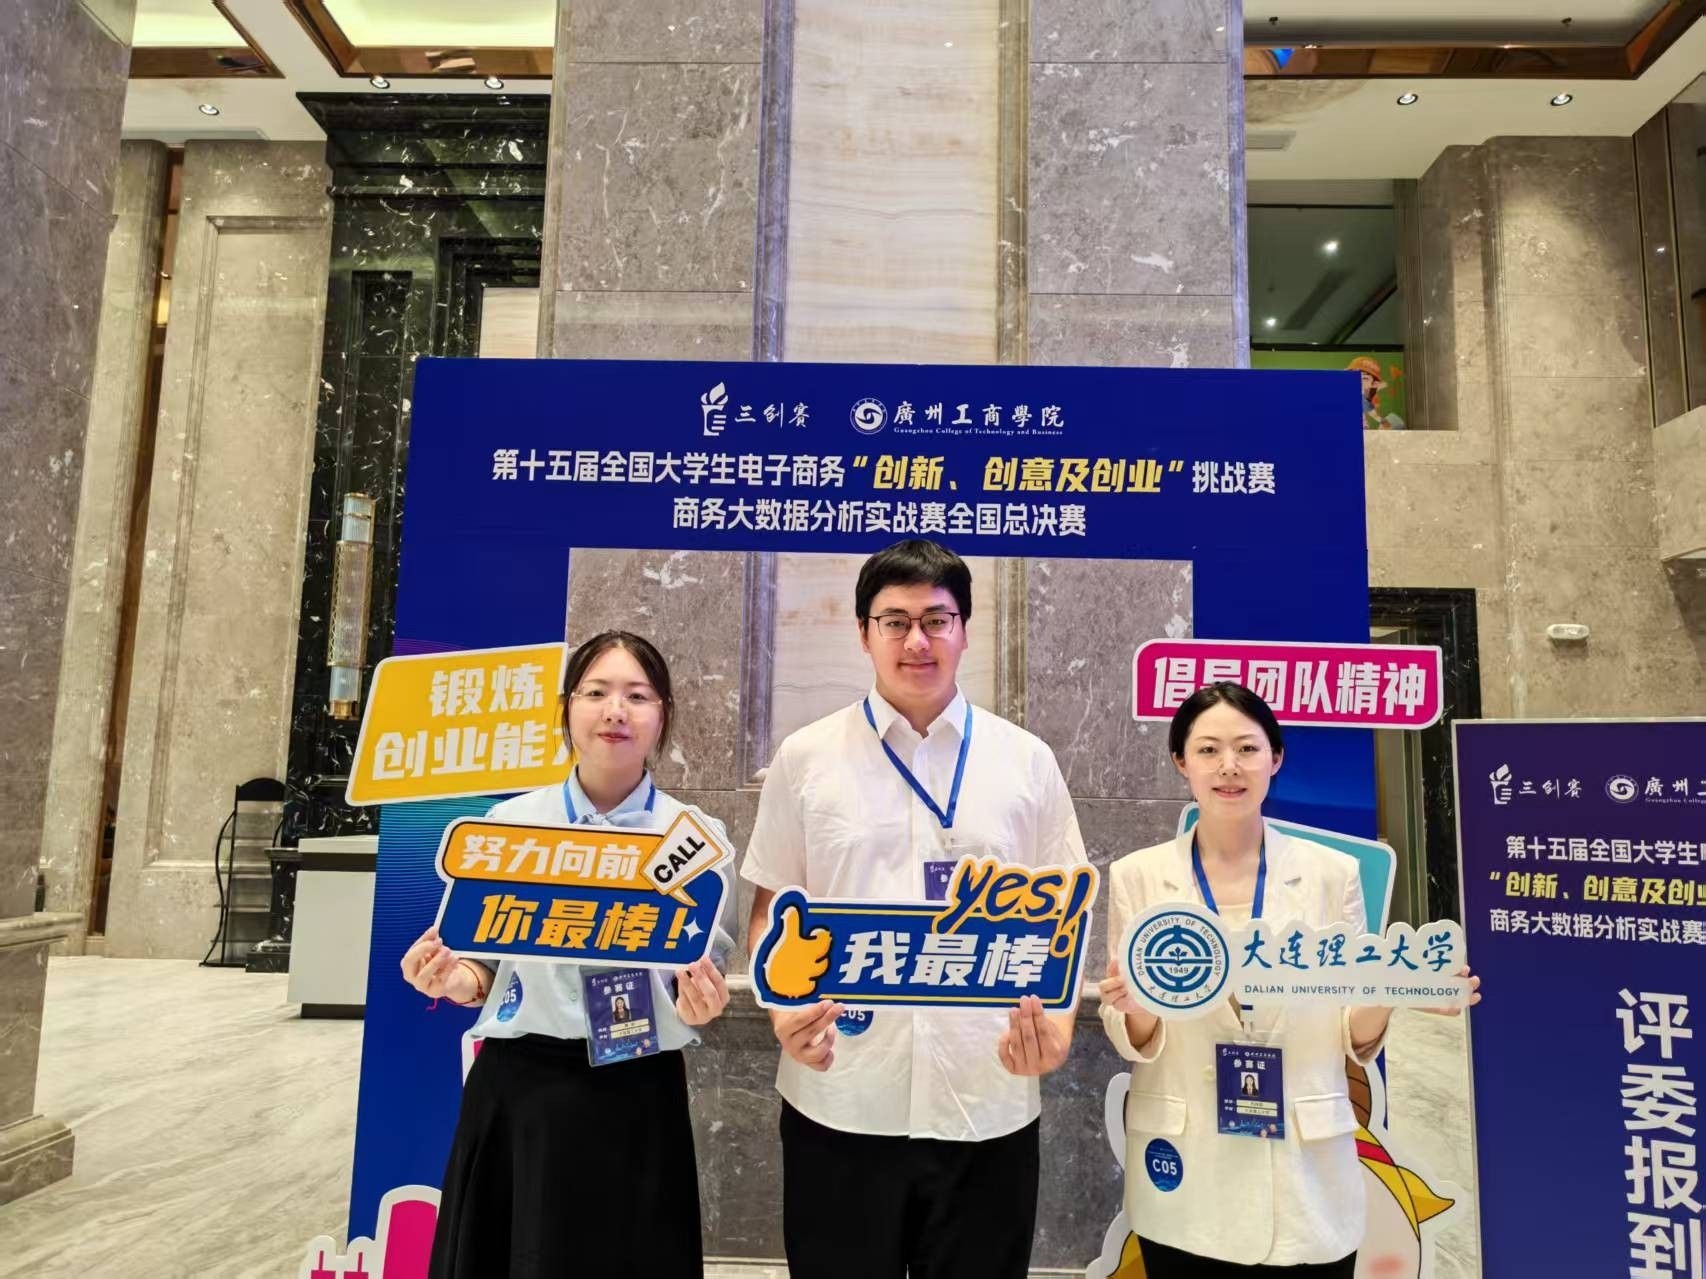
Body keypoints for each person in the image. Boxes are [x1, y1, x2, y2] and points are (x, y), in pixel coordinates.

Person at [742, 538, 1089, 1279]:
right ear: (863, 632)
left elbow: (1064, 914)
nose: (916, 641)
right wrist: (782, 1014)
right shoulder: (806, 757)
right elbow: (772, 907)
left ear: (965, 629)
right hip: (841, 1095)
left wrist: (1056, 1030)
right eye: (894, 621)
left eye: (936, 619)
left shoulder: (1026, 760)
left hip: (987, 1094)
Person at [1098, 682, 1479, 1277]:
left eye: (1247, 748)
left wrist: (1393, 991)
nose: (1229, 766)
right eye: (1208, 750)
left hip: (1307, 1177)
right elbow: (1132, 1034)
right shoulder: (1137, 876)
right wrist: (1135, 1007)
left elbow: (1351, 1032)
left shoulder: (1332, 874)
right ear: (1181, 762)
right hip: (1188, 1172)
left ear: (1275, 759)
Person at [399, 630, 733, 1279]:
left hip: (638, 1092)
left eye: (637, 695)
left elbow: (696, 974)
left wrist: (699, 1001)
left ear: (663, 714)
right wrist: (450, 977)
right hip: (521, 1091)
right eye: (596, 692)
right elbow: (480, 966)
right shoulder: (509, 827)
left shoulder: (695, 840)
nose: (615, 711)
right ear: (567, 707)